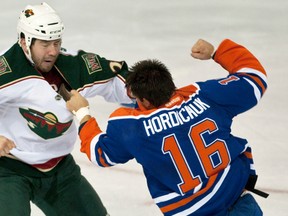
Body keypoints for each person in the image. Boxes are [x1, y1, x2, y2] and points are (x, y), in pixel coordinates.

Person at [66, 38, 269, 215]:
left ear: (144, 100)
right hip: (241, 204)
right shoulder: (205, 95)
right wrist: (216, 52)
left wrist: (82, 113)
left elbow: (101, 154)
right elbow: (255, 78)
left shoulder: (131, 126)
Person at [0, 2, 133, 216]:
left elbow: (119, 80)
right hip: (9, 170)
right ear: (25, 42)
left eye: (56, 41)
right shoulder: (5, 71)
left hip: (60, 169)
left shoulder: (73, 65)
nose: (53, 51)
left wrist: (142, 91)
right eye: (44, 43)